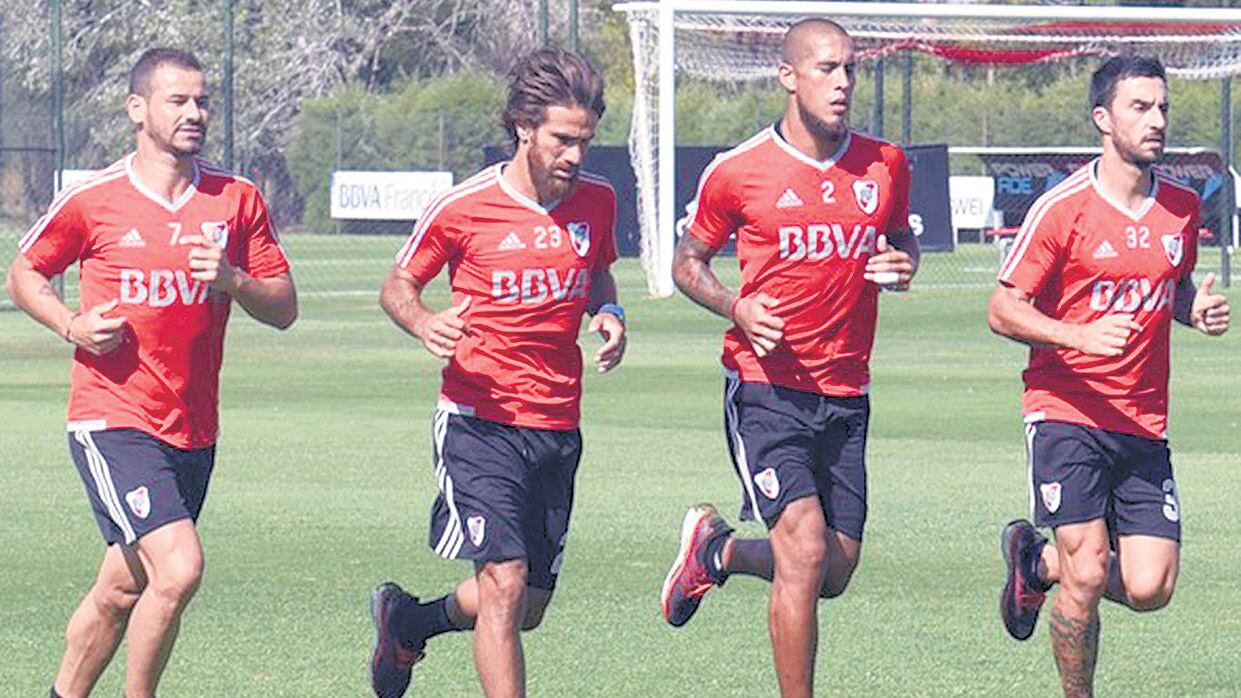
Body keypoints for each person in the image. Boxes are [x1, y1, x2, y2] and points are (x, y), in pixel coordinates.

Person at [5, 48, 297, 698]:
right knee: (180, 567)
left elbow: (283, 309)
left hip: (192, 430)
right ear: (137, 110)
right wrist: (71, 326)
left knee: (121, 587)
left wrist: (234, 280)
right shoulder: (95, 199)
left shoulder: (236, 200)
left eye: (201, 101)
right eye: (177, 100)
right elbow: (24, 273)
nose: (194, 113)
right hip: (111, 420)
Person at [658, 18, 918, 698]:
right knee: (802, 552)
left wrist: (900, 263)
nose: (840, 84)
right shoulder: (738, 171)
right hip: (764, 388)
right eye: (825, 69)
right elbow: (687, 262)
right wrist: (735, 307)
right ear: (787, 76)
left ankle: (715, 552)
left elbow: (898, 242)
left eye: (849, 70)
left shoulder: (884, 164)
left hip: (847, 390)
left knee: (833, 570)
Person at [368, 49, 625, 698]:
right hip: (478, 423)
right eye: (562, 139)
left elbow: (596, 270)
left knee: (524, 607)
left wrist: (610, 311)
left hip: (557, 424)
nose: (574, 154)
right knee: (504, 583)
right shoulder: (464, 207)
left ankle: (409, 622)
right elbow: (398, 285)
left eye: (584, 141)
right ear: (523, 128)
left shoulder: (596, 200)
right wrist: (424, 322)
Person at [989, 55, 1230, 698]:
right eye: (1139, 108)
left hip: (1143, 420)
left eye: (1162, 108)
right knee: (1091, 571)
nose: (1156, 121)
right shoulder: (1062, 208)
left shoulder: (1181, 208)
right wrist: (1077, 335)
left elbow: (1170, 288)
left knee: (1151, 587)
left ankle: (1035, 564)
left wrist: (1192, 311)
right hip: (1065, 410)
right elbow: (1003, 308)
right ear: (1103, 119)